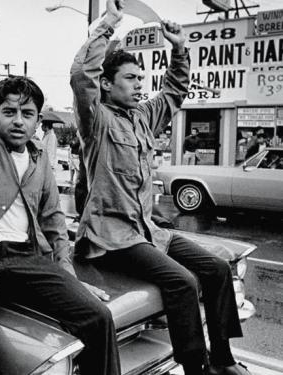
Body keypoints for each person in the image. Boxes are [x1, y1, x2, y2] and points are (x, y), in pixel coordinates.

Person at [0, 5, 120, 375]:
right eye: (9, 111)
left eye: (27, 113)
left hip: (25, 258)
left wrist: (68, 276)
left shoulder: (40, 161)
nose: (18, 120)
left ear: (37, 120)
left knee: (98, 317)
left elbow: (53, 224)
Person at [70, 1, 248, 375]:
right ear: (106, 83)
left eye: (140, 77)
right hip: (112, 236)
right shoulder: (95, 120)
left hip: (148, 230)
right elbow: (80, 76)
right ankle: (194, 367)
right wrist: (106, 26)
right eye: (131, 78)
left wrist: (179, 48)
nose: (140, 84)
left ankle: (222, 361)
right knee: (182, 282)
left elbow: (173, 91)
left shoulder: (142, 116)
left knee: (215, 268)